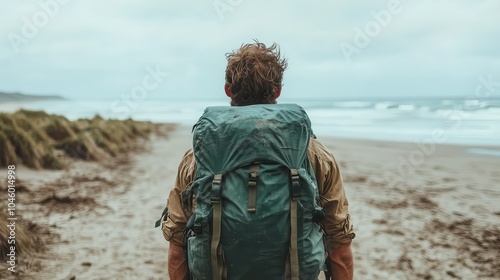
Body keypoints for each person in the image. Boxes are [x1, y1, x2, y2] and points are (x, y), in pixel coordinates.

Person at [161, 41, 355, 280]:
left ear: (228, 90)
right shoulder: (314, 154)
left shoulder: (198, 157)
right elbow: (339, 242)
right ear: (277, 91)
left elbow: (177, 245)